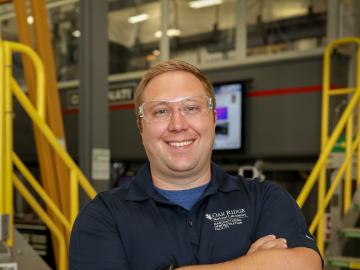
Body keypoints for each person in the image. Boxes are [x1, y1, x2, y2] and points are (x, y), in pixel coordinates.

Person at [69, 60, 322, 270]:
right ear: (141, 126)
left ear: (213, 118)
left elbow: (307, 264)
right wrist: (254, 264)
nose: (178, 125)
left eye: (191, 108)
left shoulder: (265, 199)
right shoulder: (103, 217)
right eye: (160, 111)